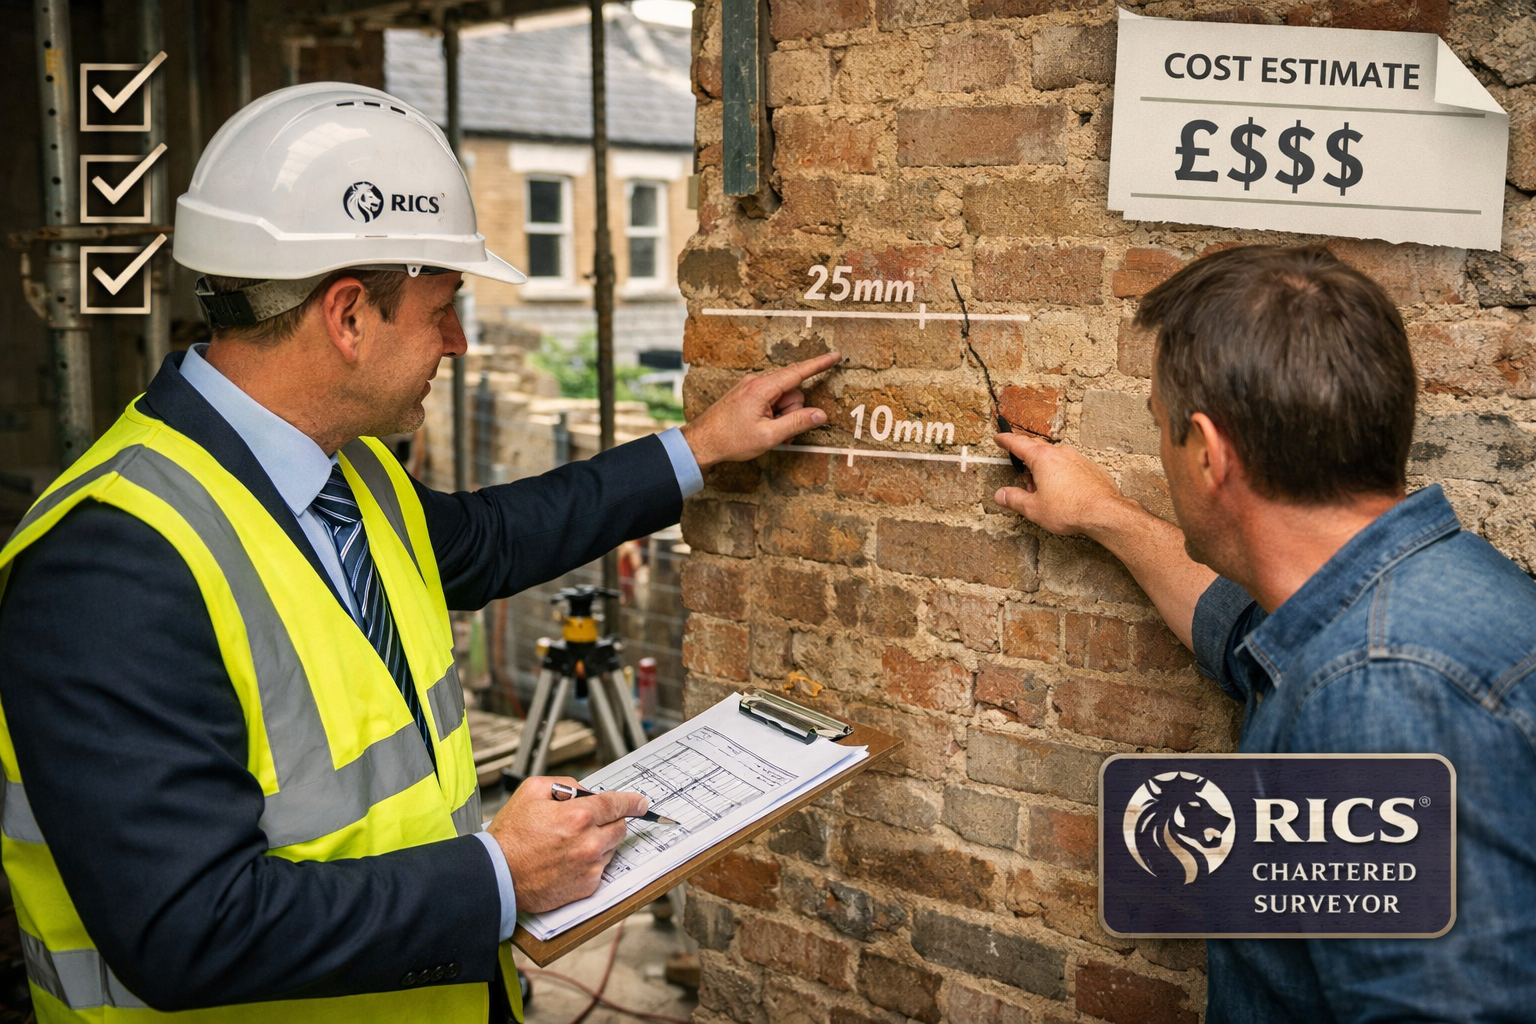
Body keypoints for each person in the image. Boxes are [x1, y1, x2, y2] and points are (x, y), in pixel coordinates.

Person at [0, 83, 835, 1022]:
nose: (459, 341)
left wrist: (699, 448)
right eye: (442, 304)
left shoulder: (342, 471)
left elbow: (485, 541)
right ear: (348, 315)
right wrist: (500, 875)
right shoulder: (111, 567)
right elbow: (189, 929)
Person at [993, 244, 1536, 1022]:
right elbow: (1256, 643)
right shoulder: (1416, 595)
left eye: (1160, 427)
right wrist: (1104, 516)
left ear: (1209, 453)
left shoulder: (1377, 695)